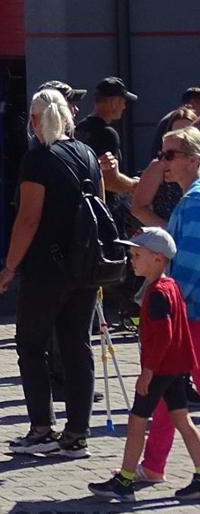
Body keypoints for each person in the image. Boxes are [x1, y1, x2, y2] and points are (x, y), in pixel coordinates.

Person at [0, 88, 100, 459]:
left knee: (31, 345)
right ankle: (77, 433)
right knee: (77, 345)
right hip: (84, 266)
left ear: (34, 120)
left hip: (46, 269)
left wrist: (9, 267)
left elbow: (29, 218)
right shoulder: (87, 154)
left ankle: (41, 428)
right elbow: (98, 207)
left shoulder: (37, 159)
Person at [85, 228, 200, 502]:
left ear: (158, 258)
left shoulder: (157, 292)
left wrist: (147, 372)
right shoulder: (171, 286)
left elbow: (164, 336)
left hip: (159, 370)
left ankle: (125, 480)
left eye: (137, 255)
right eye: (131, 254)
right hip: (175, 368)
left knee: (137, 421)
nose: (131, 260)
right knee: (182, 420)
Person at [144, 126, 200, 483]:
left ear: (192, 160)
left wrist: (170, 307)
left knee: (167, 389)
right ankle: (152, 466)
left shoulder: (193, 201)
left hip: (192, 315)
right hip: (190, 312)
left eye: (169, 155)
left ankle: (151, 467)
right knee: (168, 393)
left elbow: (191, 264)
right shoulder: (190, 198)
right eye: (161, 153)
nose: (162, 162)